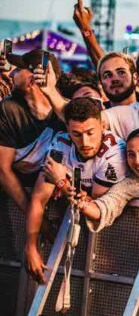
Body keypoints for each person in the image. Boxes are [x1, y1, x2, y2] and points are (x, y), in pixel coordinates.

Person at [25, 97, 128, 282]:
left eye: (90, 132)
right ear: (68, 130)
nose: (85, 142)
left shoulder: (114, 153)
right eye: (77, 134)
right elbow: (38, 199)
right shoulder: (60, 144)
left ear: (102, 126)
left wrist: (61, 181)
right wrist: (31, 246)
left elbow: (92, 204)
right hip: (76, 232)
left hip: (115, 233)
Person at [0, 49, 65, 212]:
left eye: (17, 69)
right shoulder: (9, 109)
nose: (11, 73)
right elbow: (3, 170)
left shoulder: (68, 110)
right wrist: (33, 214)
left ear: (32, 80)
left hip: (61, 199)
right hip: (19, 200)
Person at [74, 128, 139, 232]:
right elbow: (111, 201)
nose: (137, 161)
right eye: (131, 154)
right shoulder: (132, 184)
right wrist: (85, 206)